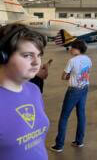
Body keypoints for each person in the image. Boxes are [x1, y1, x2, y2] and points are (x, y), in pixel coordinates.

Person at [0, 24, 49, 159]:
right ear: (3, 57)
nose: (36, 62)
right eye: (27, 55)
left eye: (39, 55)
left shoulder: (34, 90)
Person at [51, 39, 92, 152]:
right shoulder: (88, 59)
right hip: (84, 88)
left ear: (77, 48)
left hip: (74, 90)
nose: (70, 49)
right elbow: (85, 74)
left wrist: (70, 77)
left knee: (64, 117)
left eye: (72, 47)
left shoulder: (72, 61)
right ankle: (79, 141)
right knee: (81, 114)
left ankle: (59, 145)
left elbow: (63, 76)